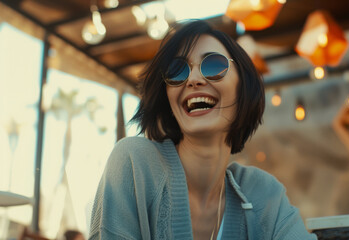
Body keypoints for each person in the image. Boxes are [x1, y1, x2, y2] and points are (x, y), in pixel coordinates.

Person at [89, 20, 317, 240]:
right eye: (177, 71)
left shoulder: (264, 195)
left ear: (243, 86)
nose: (193, 79)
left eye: (214, 65)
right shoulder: (134, 164)